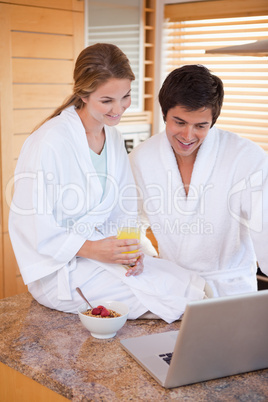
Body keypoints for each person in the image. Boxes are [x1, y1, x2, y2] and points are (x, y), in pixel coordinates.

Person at [9, 44, 207, 323]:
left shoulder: (112, 138)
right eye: (107, 101)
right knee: (174, 304)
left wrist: (128, 250)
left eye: (125, 96)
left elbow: (123, 207)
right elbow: (32, 224)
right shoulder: (49, 142)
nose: (119, 109)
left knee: (189, 285)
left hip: (100, 258)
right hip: (59, 268)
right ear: (83, 94)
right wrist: (93, 249)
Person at [129, 64, 268, 298]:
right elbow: (129, 220)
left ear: (212, 121)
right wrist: (145, 259)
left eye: (200, 126)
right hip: (172, 290)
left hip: (231, 294)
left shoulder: (246, 158)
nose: (188, 135)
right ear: (164, 114)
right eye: (180, 122)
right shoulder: (142, 158)